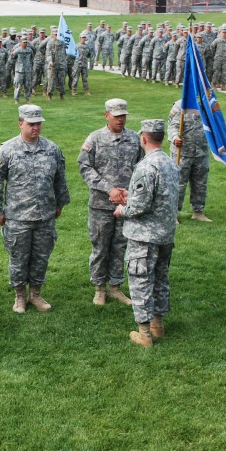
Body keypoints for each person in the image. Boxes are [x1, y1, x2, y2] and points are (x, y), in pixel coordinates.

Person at [0, 105, 70, 313]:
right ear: (20, 123)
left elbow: (60, 179)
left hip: (45, 216)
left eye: (38, 124)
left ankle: (35, 294)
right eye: (31, 124)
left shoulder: (52, 149)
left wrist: (59, 203)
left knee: (41, 257)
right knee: (18, 258)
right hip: (18, 216)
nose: (36, 128)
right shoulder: (7, 150)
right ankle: (19, 297)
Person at [114, 119, 179, 348]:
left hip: (144, 236)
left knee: (140, 280)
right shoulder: (171, 163)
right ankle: (157, 325)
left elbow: (139, 207)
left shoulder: (146, 166)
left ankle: (144, 334)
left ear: (143, 138)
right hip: (165, 234)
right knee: (160, 279)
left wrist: (122, 209)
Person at [78, 99, 142, 306]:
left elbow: (141, 168)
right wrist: (109, 189)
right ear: (106, 116)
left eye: (123, 116)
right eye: (116, 116)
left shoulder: (134, 138)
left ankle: (115, 287)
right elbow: (85, 168)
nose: (121, 120)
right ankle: (99, 288)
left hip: (125, 204)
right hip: (101, 205)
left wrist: (130, 193)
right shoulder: (95, 139)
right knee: (100, 246)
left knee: (120, 246)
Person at [168, 100, 212, 222]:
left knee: (200, 184)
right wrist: (175, 138)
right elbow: (172, 126)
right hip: (182, 153)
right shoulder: (181, 104)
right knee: (178, 184)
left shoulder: (207, 104)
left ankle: (198, 212)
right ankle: (173, 214)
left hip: (201, 152)